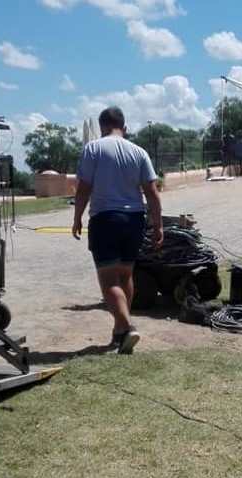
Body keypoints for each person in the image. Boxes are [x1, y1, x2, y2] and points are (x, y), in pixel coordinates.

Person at [72, 106, 163, 354]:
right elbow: (152, 193)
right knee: (125, 276)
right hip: (135, 219)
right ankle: (119, 333)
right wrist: (158, 225)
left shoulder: (93, 149)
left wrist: (77, 217)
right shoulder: (139, 152)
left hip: (105, 218)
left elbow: (83, 189)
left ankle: (128, 326)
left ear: (102, 126)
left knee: (108, 279)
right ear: (123, 125)